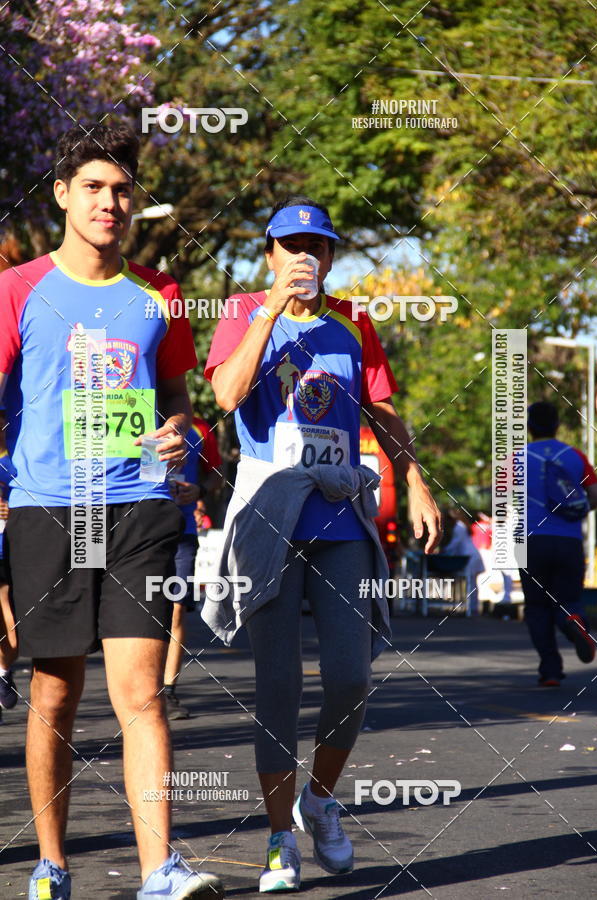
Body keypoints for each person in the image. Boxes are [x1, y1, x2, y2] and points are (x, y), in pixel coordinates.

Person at [0, 124, 223, 900]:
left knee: (141, 693)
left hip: (135, 508)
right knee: (54, 692)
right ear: (63, 195)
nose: (109, 202)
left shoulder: (158, 293)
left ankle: (162, 868)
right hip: (49, 510)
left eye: (122, 190)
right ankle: (51, 864)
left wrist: (180, 443)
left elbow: (177, 402)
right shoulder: (19, 288)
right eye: (93, 188)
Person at [203, 195, 441, 892]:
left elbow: (384, 410)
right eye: (292, 245)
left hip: (339, 517)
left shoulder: (354, 324)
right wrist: (272, 312)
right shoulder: (243, 313)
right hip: (271, 515)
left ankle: (320, 799)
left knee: (352, 674)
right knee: (277, 686)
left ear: (331, 256)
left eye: (319, 246)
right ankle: (281, 838)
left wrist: (415, 478)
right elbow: (225, 394)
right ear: (269, 253)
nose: (307, 256)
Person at [521, 401, 597, 687]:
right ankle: (573, 621)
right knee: (568, 600)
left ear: (529, 427)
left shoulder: (516, 458)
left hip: (530, 541)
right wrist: (576, 513)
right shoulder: (575, 456)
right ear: (557, 425)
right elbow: (596, 493)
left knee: (537, 607)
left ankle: (550, 670)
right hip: (569, 541)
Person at [163, 417, 221, 720]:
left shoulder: (200, 429)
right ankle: (141, 685)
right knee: (144, 609)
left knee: (176, 608)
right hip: (142, 532)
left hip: (183, 532)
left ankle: (168, 691)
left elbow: (217, 475)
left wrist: (198, 491)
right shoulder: (137, 416)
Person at [0, 409, 18, 717]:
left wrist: (12, 509)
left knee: (9, 615)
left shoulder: (14, 460)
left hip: (8, 547)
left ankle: (3, 672)